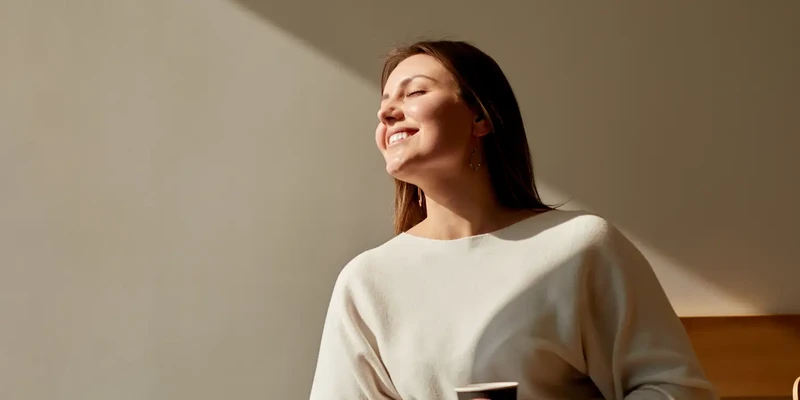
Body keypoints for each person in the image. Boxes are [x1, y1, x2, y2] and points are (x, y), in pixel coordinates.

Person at [309, 40, 717, 400]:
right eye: (384, 102)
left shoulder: (580, 248)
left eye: (414, 91)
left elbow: (679, 390)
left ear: (480, 118)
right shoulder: (366, 282)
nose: (386, 112)